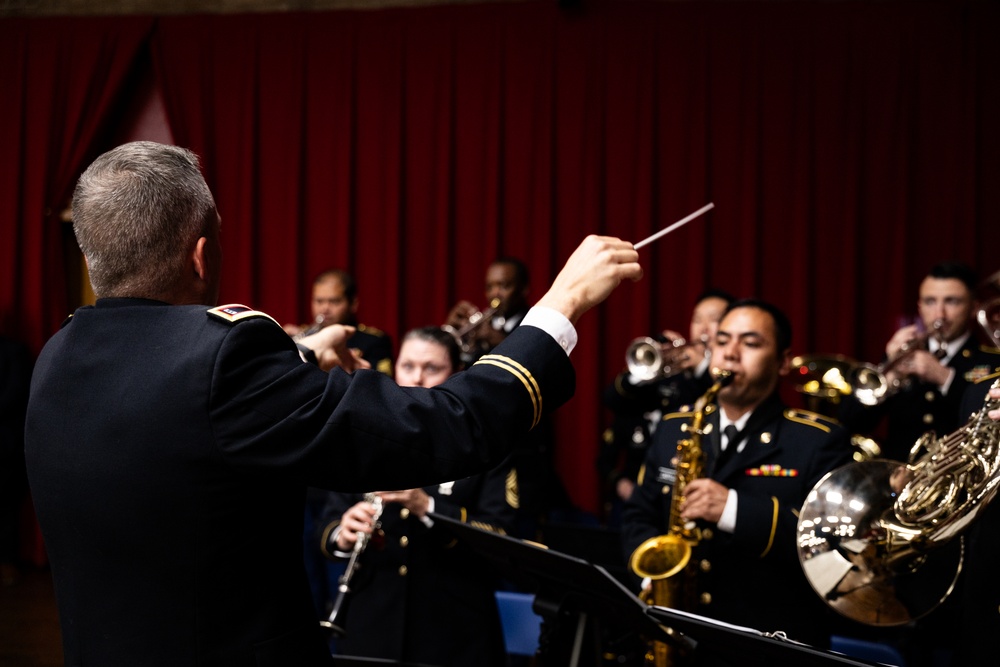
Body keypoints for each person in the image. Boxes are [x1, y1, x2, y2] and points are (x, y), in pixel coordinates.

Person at [23, 141, 642, 667]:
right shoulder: (227, 361)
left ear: (92, 256)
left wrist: (302, 356)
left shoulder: (56, 358)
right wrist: (557, 311)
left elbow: (178, 410)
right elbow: (442, 429)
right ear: (202, 255)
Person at [621, 299, 853, 653]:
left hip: (772, 643)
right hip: (680, 633)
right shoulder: (674, 428)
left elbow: (833, 545)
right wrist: (651, 575)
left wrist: (732, 510)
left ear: (783, 361)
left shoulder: (819, 440)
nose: (730, 354)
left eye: (750, 343)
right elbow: (639, 513)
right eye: (722, 340)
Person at [318, 327, 515, 666]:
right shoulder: (361, 434)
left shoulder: (489, 447)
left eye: (432, 368)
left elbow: (503, 540)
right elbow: (326, 525)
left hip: (455, 634)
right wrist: (343, 532)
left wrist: (428, 507)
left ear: (458, 375)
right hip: (370, 629)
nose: (417, 378)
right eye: (407, 366)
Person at [840, 261, 1000, 462]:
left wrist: (945, 378)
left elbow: (988, 425)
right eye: (930, 302)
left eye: (952, 302)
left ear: (973, 307)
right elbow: (849, 422)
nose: (940, 314)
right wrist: (888, 375)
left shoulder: (992, 360)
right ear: (920, 306)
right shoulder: (901, 355)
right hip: (901, 480)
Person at [598, 289, 733, 521]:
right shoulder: (669, 373)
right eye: (697, 319)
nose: (703, 328)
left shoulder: (729, 377)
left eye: (714, 320)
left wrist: (702, 368)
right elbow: (612, 400)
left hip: (696, 495)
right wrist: (650, 368)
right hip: (645, 488)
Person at [284, 269, 393, 376]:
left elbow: (379, 387)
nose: (325, 308)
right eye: (319, 301)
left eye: (334, 301)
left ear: (353, 304)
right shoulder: (302, 336)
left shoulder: (374, 341)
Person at [443, 256, 531, 366]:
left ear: (523, 289)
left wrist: (501, 341)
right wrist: (450, 332)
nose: (495, 293)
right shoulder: (485, 323)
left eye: (503, 286)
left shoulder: (533, 322)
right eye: (489, 287)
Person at [0, 334, 33, 587]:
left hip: (6, 445)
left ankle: (8, 564)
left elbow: (15, 394)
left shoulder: (15, 351)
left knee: (6, 508)